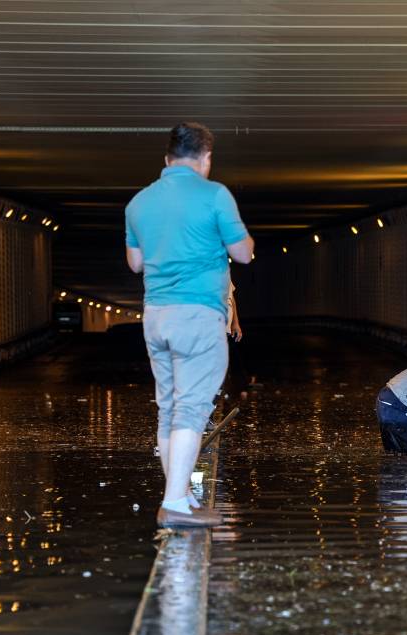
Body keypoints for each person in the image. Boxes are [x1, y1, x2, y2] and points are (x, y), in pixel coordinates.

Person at [125, 122, 255, 528]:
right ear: (206, 159)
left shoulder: (139, 202)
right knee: (193, 408)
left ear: (167, 160)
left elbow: (135, 263)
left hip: (156, 316)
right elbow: (244, 254)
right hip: (197, 314)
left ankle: (177, 496)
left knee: (168, 406)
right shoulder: (214, 194)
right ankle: (176, 504)